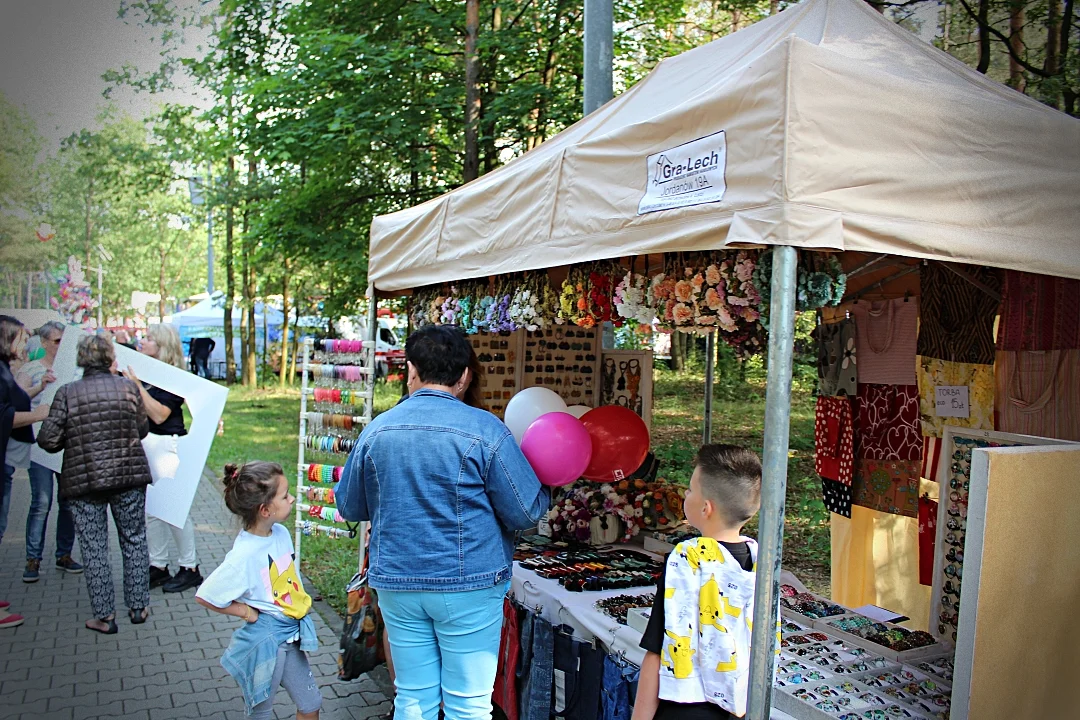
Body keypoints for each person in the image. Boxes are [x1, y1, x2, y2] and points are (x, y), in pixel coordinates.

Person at [337, 325, 549, 720]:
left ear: (412, 371)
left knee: (412, 698)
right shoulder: (487, 431)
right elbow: (525, 512)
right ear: (465, 375)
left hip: (398, 582)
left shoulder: (377, 429)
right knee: (467, 706)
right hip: (469, 584)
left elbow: (349, 505)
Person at [633, 445, 764, 720]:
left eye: (690, 489)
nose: (685, 495)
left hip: (683, 707)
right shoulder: (761, 560)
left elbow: (658, 650)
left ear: (706, 508)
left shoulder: (687, 560)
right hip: (740, 703)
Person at [37, 333, 153, 633]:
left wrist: (72, 436)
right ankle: (138, 607)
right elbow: (141, 429)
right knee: (135, 539)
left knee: (94, 547)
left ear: (81, 359)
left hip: (84, 480)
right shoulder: (128, 389)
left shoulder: (67, 393)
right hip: (128, 476)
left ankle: (104, 617)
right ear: (110, 357)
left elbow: (48, 440)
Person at [195, 461, 321, 720]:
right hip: (267, 643)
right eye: (285, 496)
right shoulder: (243, 555)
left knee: (311, 703)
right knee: (260, 712)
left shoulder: (281, 533)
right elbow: (206, 594)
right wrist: (246, 612)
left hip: (290, 635)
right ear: (265, 510)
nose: (292, 498)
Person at [121, 324, 203, 593]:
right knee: (153, 510)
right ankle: (157, 565)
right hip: (146, 445)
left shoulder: (173, 377)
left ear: (162, 345)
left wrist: (135, 387)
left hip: (167, 445)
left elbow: (159, 415)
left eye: (147, 338)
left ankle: (190, 567)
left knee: (174, 510)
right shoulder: (146, 373)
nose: (141, 342)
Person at [16, 321, 83, 582]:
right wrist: (40, 387)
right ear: (44, 343)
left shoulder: (75, 371)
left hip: (68, 445)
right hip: (40, 447)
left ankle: (64, 554)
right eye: (57, 341)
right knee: (41, 502)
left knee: (67, 503)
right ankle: (33, 559)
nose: (61, 345)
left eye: (65, 340)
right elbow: (14, 405)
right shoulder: (31, 369)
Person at [0, 316, 52, 628]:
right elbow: (4, 414)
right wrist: (37, 415)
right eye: (20, 339)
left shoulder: (9, 371)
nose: (25, 345)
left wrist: (34, 389)